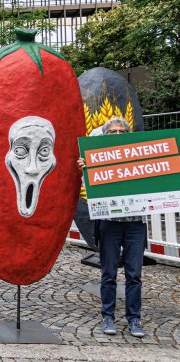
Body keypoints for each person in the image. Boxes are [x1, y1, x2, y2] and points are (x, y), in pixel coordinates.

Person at [77, 117, 147, 338]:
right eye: (112, 132)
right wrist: (85, 170)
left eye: (121, 131)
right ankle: (108, 316)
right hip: (109, 224)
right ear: (105, 136)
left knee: (134, 275)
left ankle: (134, 319)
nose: (117, 135)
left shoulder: (139, 159)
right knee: (109, 274)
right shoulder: (97, 159)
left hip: (135, 224)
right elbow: (87, 188)